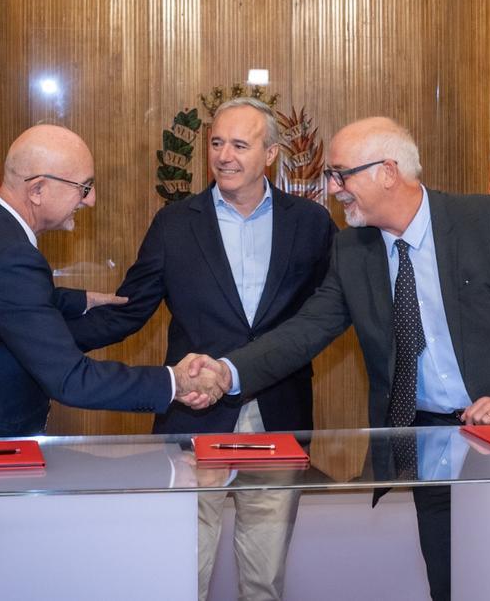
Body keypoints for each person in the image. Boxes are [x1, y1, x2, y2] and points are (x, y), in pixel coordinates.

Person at [189, 116, 490, 601]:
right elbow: (305, 331)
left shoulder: (484, 221)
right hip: (434, 449)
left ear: (388, 172)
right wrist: (227, 373)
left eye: (341, 175)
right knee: (452, 585)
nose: (333, 189)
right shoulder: (352, 250)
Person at [0, 124, 226, 601]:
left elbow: (7, 304)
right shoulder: (9, 255)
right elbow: (70, 380)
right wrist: (173, 383)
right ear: (38, 190)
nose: (91, 200)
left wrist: (76, 300)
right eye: (83, 187)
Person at [67, 98, 336, 601]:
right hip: (194, 417)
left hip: (278, 413)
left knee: (265, 576)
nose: (224, 156)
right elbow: (131, 311)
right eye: (216, 143)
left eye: (239, 144)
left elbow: (332, 311)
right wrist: (43, 337)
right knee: (182, 570)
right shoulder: (175, 224)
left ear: (271, 153)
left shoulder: (312, 224)